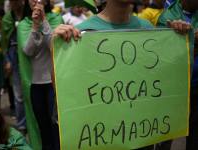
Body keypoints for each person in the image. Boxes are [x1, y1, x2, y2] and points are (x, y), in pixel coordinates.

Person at [53, 0, 191, 150]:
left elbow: (166, 84)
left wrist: (178, 36)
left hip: (142, 136)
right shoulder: (81, 34)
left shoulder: (148, 29)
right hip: (100, 139)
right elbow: (66, 95)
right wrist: (56, 48)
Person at [18, 0, 63, 149]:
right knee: (43, 129)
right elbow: (28, 51)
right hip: (35, 85)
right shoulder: (24, 24)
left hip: (54, 84)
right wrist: (35, 27)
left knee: (57, 127)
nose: (36, 1)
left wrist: (43, 21)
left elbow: (54, 44)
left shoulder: (56, 19)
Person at [157, 1, 198, 150]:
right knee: (166, 134)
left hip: (195, 86)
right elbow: (163, 54)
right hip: (174, 89)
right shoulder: (167, 17)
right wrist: (190, 40)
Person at [1, 0, 27, 133]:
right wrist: (7, 60)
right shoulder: (7, 19)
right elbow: (4, 43)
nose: (14, 3)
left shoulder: (29, 14)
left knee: (32, 90)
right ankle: (22, 124)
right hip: (14, 56)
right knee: (18, 95)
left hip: (30, 55)